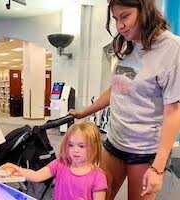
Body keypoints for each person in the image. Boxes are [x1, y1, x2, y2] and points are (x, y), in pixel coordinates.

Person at [69, 0, 180, 200]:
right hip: (114, 142)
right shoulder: (129, 44)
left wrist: (158, 168)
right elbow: (117, 89)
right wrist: (84, 112)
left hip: (144, 151)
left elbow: (173, 111)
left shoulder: (171, 48)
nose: (119, 25)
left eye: (125, 16)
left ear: (145, 10)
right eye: (115, 19)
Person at [0, 122, 107, 200]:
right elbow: (36, 176)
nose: (75, 150)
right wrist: (15, 168)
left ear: (94, 147)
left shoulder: (98, 177)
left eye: (81, 146)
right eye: (70, 145)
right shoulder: (60, 164)